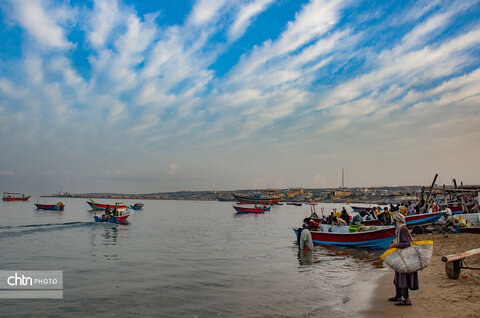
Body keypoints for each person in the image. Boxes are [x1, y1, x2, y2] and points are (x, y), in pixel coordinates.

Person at [388, 213, 419, 306]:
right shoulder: (400, 229)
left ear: (397, 221)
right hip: (402, 257)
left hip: (405, 258)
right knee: (397, 278)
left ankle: (406, 299)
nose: (392, 222)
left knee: (403, 279)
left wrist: (395, 245)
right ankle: (398, 295)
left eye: (394, 220)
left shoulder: (403, 230)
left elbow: (407, 244)